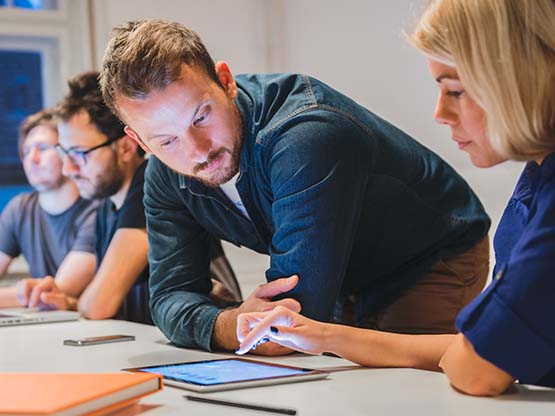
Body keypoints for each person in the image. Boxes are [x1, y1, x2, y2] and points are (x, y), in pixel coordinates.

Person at [99, 19, 491, 353]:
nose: (197, 150)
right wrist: (230, 323)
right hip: (340, 277)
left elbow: (289, 322)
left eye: (201, 117)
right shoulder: (164, 174)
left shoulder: (306, 136)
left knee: (405, 394)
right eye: (166, 141)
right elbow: (168, 299)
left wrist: (226, 323)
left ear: (225, 81)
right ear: (140, 142)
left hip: (428, 257)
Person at [236, 0, 555, 396]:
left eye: (455, 90)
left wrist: (472, 353)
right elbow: (480, 346)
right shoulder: (539, 176)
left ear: (525, 76)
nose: (440, 112)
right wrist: (329, 337)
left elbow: (478, 369)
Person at [25, 72, 239, 324]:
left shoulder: (149, 188)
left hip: (214, 340)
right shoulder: (108, 205)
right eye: (64, 154)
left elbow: (100, 304)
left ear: (126, 147)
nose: (68, 169)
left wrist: (82, 302)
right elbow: (103, 304)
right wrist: (72, 303)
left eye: (80, 154)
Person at [0, 109, 97, 308]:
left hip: (89, 327)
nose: (32, 159)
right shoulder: (20, 208)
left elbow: (54, 293)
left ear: (68, 151)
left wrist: (22, 293)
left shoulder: (96, 210)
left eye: (42, 148)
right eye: (26, 151)